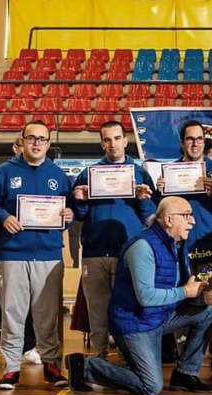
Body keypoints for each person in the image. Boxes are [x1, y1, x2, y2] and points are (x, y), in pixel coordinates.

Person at [66, 197, 212, 395]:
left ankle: (184, 374)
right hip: (135, 324)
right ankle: (85, 366)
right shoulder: (142, 247)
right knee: (151, 387)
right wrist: (185, 292)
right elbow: (146, 297)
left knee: (208, 312)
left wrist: (203, 298)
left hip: (158, 317)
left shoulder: (175, 244)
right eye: (186, 215)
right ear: (169, 220)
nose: (193, 221)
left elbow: (173, 290)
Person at [0, 120, 74, 390]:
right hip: (11, 254)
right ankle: (11, 368)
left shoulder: (58, 175)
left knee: (47, 315)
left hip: (48, 255)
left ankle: (51, 364)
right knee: (12, 314)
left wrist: (69, 216)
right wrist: (3, 217)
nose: (36, 143)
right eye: (31, 138)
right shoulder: (4, 172)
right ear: (22, 140)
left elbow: (68, 212)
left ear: (49, 143)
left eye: (42, 139)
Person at [73, 120, 157, 358]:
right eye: (107, 139)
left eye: (117, 138)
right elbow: (80, 215)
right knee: (97, 312)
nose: (113, 144)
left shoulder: (140, 173)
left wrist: (143, 199)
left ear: (125, 140)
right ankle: (100, 359)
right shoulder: (88, 174)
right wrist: (80, 200)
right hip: (94, 253)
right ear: (102, 143)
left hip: (129, 253)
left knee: (128, 309)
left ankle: (129, 358)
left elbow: (150, 216)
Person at [156, 120, 212, 381]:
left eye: (199, 139)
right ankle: (183, 362)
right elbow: (159, 214)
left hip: (210, 250)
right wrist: (160, 193)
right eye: (190, 139)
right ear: (182, 143)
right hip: (178, 250)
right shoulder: (171, 172)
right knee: (179, 305)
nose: (195, 143)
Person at [0, 137, 39, 364]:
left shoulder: (42, 173)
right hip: (5, 249)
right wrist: (3, 219)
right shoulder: (2, 173)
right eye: (20, 144)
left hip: (33, 251)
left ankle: (27, 345)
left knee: (28, 303)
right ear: (16, 147)